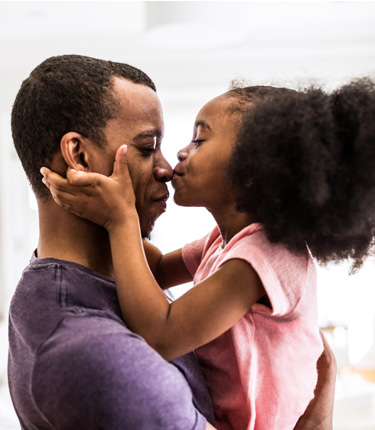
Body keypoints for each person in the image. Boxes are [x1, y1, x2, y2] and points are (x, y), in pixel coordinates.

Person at [9, 54, 335, 430]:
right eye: (148, 148)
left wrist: (121, 222)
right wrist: (320, 413)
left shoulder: (259, 256)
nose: (168, 166)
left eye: (198, 141)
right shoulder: (100, 358)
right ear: (79, 157)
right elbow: (160, 287)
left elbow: (152, 283)